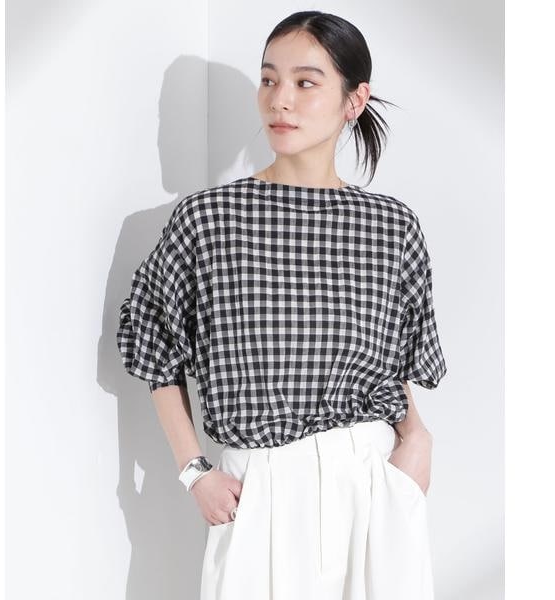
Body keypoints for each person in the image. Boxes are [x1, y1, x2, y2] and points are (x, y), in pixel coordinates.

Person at [116, 10, 447, 600]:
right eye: (268, 79)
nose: (280, 100)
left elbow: (395, 359)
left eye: (305, 82)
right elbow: (155, 346)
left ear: (354, 100)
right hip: (257, 485)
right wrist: (194, 472)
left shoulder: (391, 226)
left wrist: (417, 439)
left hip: (370, 478)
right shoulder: (208, 220)